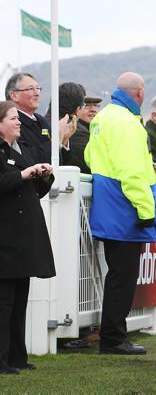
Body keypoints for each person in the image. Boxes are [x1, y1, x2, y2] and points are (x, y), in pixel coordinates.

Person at [84, 72, 156, 355]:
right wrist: (145, 209)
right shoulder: (127, 122)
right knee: (123, 277)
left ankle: (113, 335)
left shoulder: (104, 116)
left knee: (118, 275)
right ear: (140, 92)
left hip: (109, 204)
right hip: (125, 208)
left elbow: (90, 156)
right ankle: (114, 338)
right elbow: (132, 172)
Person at [0, 101, 56, 374]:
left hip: (22, 237)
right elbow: (7, 182)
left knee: (20, 299)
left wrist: (43, 176)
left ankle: (16, 357)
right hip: (5, 237)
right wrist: (22, 174)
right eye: (13, 118)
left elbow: (33, 192)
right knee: (4, 302)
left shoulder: (19, 148)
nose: (18, 122)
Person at [4, 72, 75, 163]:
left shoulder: (41, 120)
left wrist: (64, 140)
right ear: (14, 95)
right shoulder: (11, 125)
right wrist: (56, 140)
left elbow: (63, 163)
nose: (37, 93)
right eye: (31, 89)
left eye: (38, 88)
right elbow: (30, 162)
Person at [69, 93, 102, 173]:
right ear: (77, 109)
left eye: (96, 105)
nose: (93, 109)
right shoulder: (77, 131)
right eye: (87, 105)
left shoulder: (98, 129)